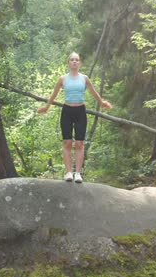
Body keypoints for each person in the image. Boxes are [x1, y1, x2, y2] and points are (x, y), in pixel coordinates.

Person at [37, 52, 112, 183]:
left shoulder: (84, 78)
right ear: (68, 63)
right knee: (67, 142)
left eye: (77, 60)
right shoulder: (62, 79)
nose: (74, 62)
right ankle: (68, 173)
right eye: (72, 60)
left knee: (79, 143)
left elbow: (93, 91)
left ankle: (78, 173)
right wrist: (46, 107)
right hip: (67, 111)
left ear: (80, 63)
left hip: (80, 112)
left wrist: (102, 103)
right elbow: (54, 94)